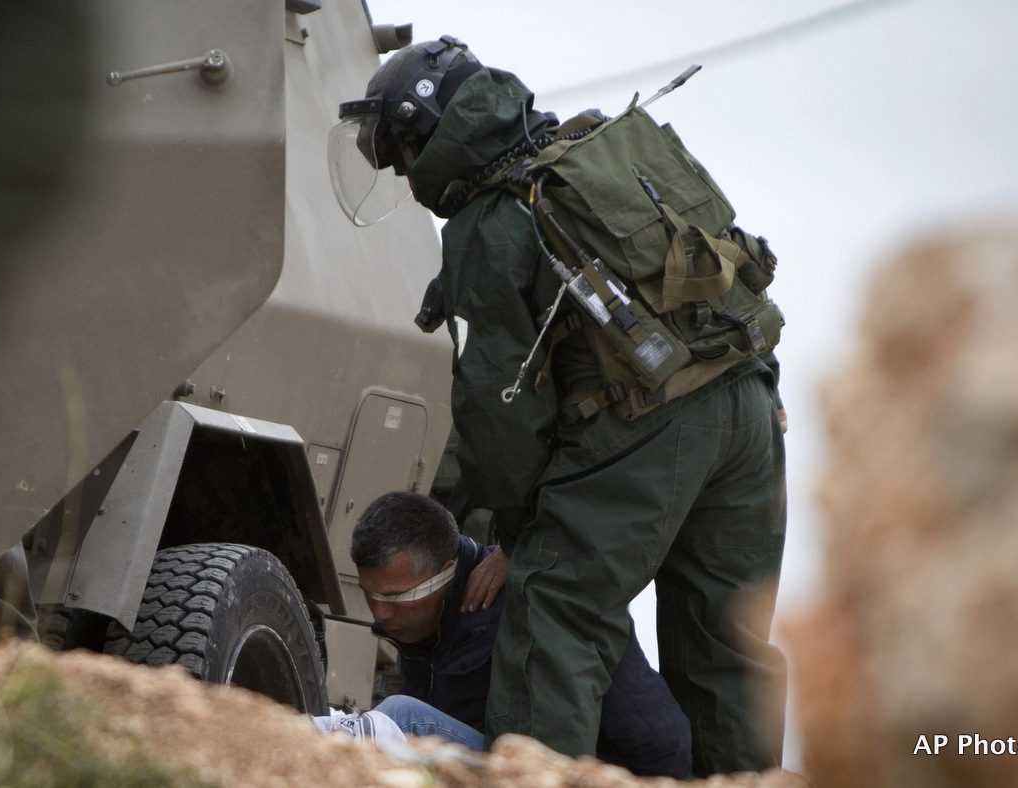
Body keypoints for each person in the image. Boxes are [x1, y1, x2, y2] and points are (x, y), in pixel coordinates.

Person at [331, 37, 788, 776]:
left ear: (426, 139)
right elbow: (720, 270)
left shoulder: (488, 218)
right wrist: (762, 381)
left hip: (648, 420)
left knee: (551, 617)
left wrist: (517, 537)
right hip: (749, 407)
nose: (406, 174)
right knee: (726, 640)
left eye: (402, 154)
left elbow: (496, 411)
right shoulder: (594, 148)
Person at [352, 491, 692, 779]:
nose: (380, 614)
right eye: (372, 595)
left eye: (397, 597)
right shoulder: (421, 623)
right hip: (509, 767)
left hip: (580, 777)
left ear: (445, 573)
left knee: (399, 719)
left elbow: (657, 734)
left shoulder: (536, 601)